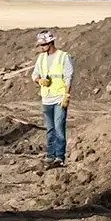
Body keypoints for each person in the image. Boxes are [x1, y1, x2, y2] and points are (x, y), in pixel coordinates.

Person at [31, 29, 73, 166]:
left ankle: (59, 157)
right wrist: (39, 81)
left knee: (59, 127)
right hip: (46, 98)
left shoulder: (63, 57)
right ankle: (50, 155)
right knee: (50, 128)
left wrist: (66, 95)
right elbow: (34, 75)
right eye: (40, 45)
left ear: (51, 42)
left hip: (59, 97)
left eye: (43, 45)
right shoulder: (41, 58)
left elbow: (68, 77)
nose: (42, 47)